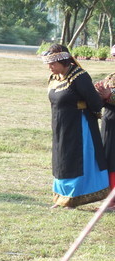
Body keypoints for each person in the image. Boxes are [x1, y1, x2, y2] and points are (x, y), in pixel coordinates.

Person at [42, 43, 109, 209]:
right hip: (60, 125)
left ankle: (73, 199)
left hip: (80, 127)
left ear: (64, 61)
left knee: (75, 161)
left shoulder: (80, 77)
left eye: (52, 63)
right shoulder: (54, 78)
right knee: (61, 159)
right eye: (48, 64)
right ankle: (60, 197)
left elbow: (95, 103)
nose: (49, 67)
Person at [94, 44, 115, 211]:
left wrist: (110, 95)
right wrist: (99, 95)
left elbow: (110, 95)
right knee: (108, 158)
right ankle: (109, 197)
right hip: (109, 123)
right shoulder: (111, 76)